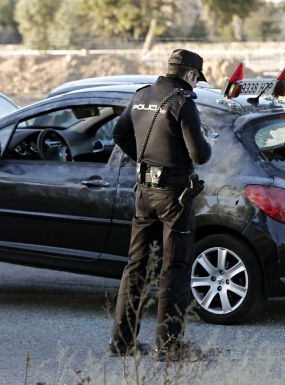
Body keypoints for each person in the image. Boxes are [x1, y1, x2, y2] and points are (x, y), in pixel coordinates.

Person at [109, 49, 212, 361]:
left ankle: (122, 343)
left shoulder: (141, 95)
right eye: (196, 79)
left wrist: (143, 160)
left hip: (143, 192)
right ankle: (169, 347)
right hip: (174, 196)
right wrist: (206, 142)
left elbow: (118, 133)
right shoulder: (183, 101)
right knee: (174, 269)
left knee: (135, 266)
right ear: (191, 75)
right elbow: (200, 155)